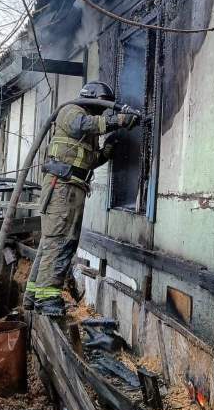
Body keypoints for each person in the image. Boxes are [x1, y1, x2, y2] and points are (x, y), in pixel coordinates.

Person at [24, 81, 139, 316]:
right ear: (93, 98)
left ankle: (35, 295)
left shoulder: (87, 125)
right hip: (62, 188)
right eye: (101, 104)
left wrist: (107, 148)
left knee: (53, 241)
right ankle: (47, 299)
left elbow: (89, 161)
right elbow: (81, 126)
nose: (102, 111)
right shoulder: (71, 111)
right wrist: (117, 120)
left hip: (71, 188)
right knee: (59, 241)